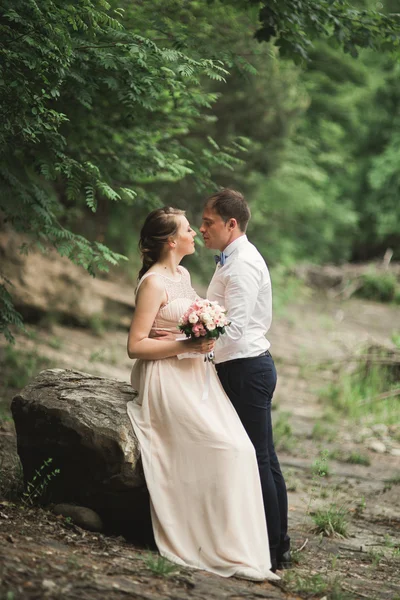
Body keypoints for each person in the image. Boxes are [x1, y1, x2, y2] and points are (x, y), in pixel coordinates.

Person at [126, 206, 279, 582]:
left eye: (199, 226)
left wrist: (202, 342)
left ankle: (247, 548)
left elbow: (200, 329)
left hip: (197, 375)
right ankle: (200, 539)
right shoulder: (153, 283)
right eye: (187, 228)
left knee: (242, 449)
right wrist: (185, 344)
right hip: (166, 377)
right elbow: (135, 346)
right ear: (171, 240)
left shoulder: (183, 274)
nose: (195, 231)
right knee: (224, 449)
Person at [199, 189, 291, 572]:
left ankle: (272, 549)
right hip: (238, 366)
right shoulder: (229, 260)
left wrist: (194, 343)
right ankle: (271, 543)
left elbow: (233, 329)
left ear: (230, 224)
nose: (202, 229)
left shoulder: (242, 265)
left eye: (208, 222)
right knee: (259, 456)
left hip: (247, 368)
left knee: (259, 458)